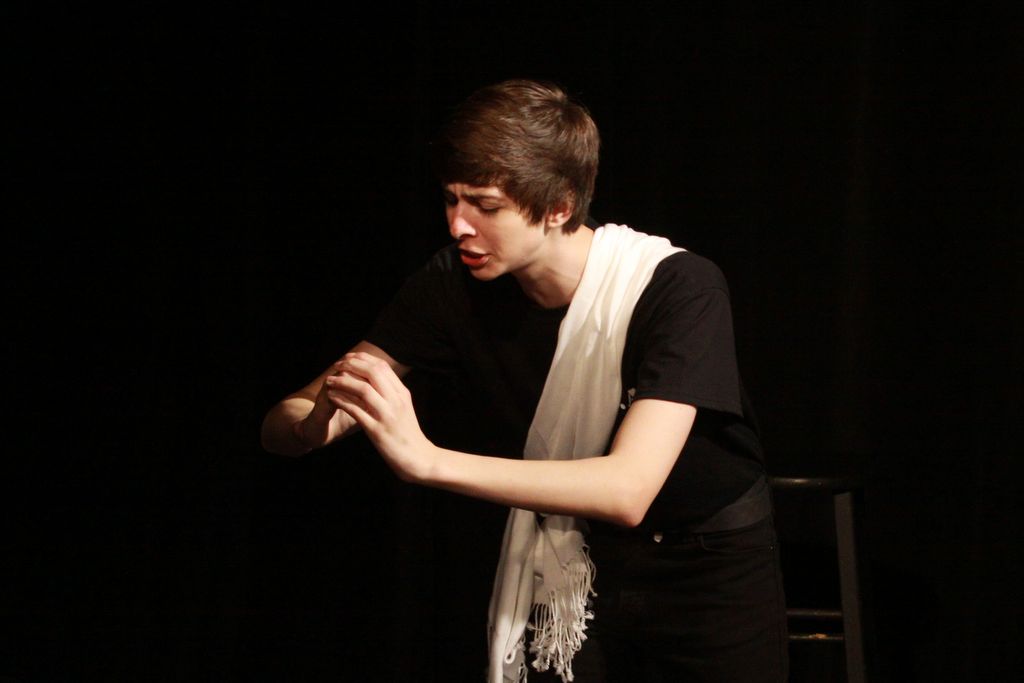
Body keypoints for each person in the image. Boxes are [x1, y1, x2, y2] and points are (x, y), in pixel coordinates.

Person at [261, 79, 788, 683]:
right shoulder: (449, 285)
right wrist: (313, 424)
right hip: (574, 558)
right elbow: (282, 422)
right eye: (451, 200)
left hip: (707, 565)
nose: (458, 225)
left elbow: (627, 490)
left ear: (559, 206)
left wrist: (426, 460)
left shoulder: (678, 287)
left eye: (485, 206)